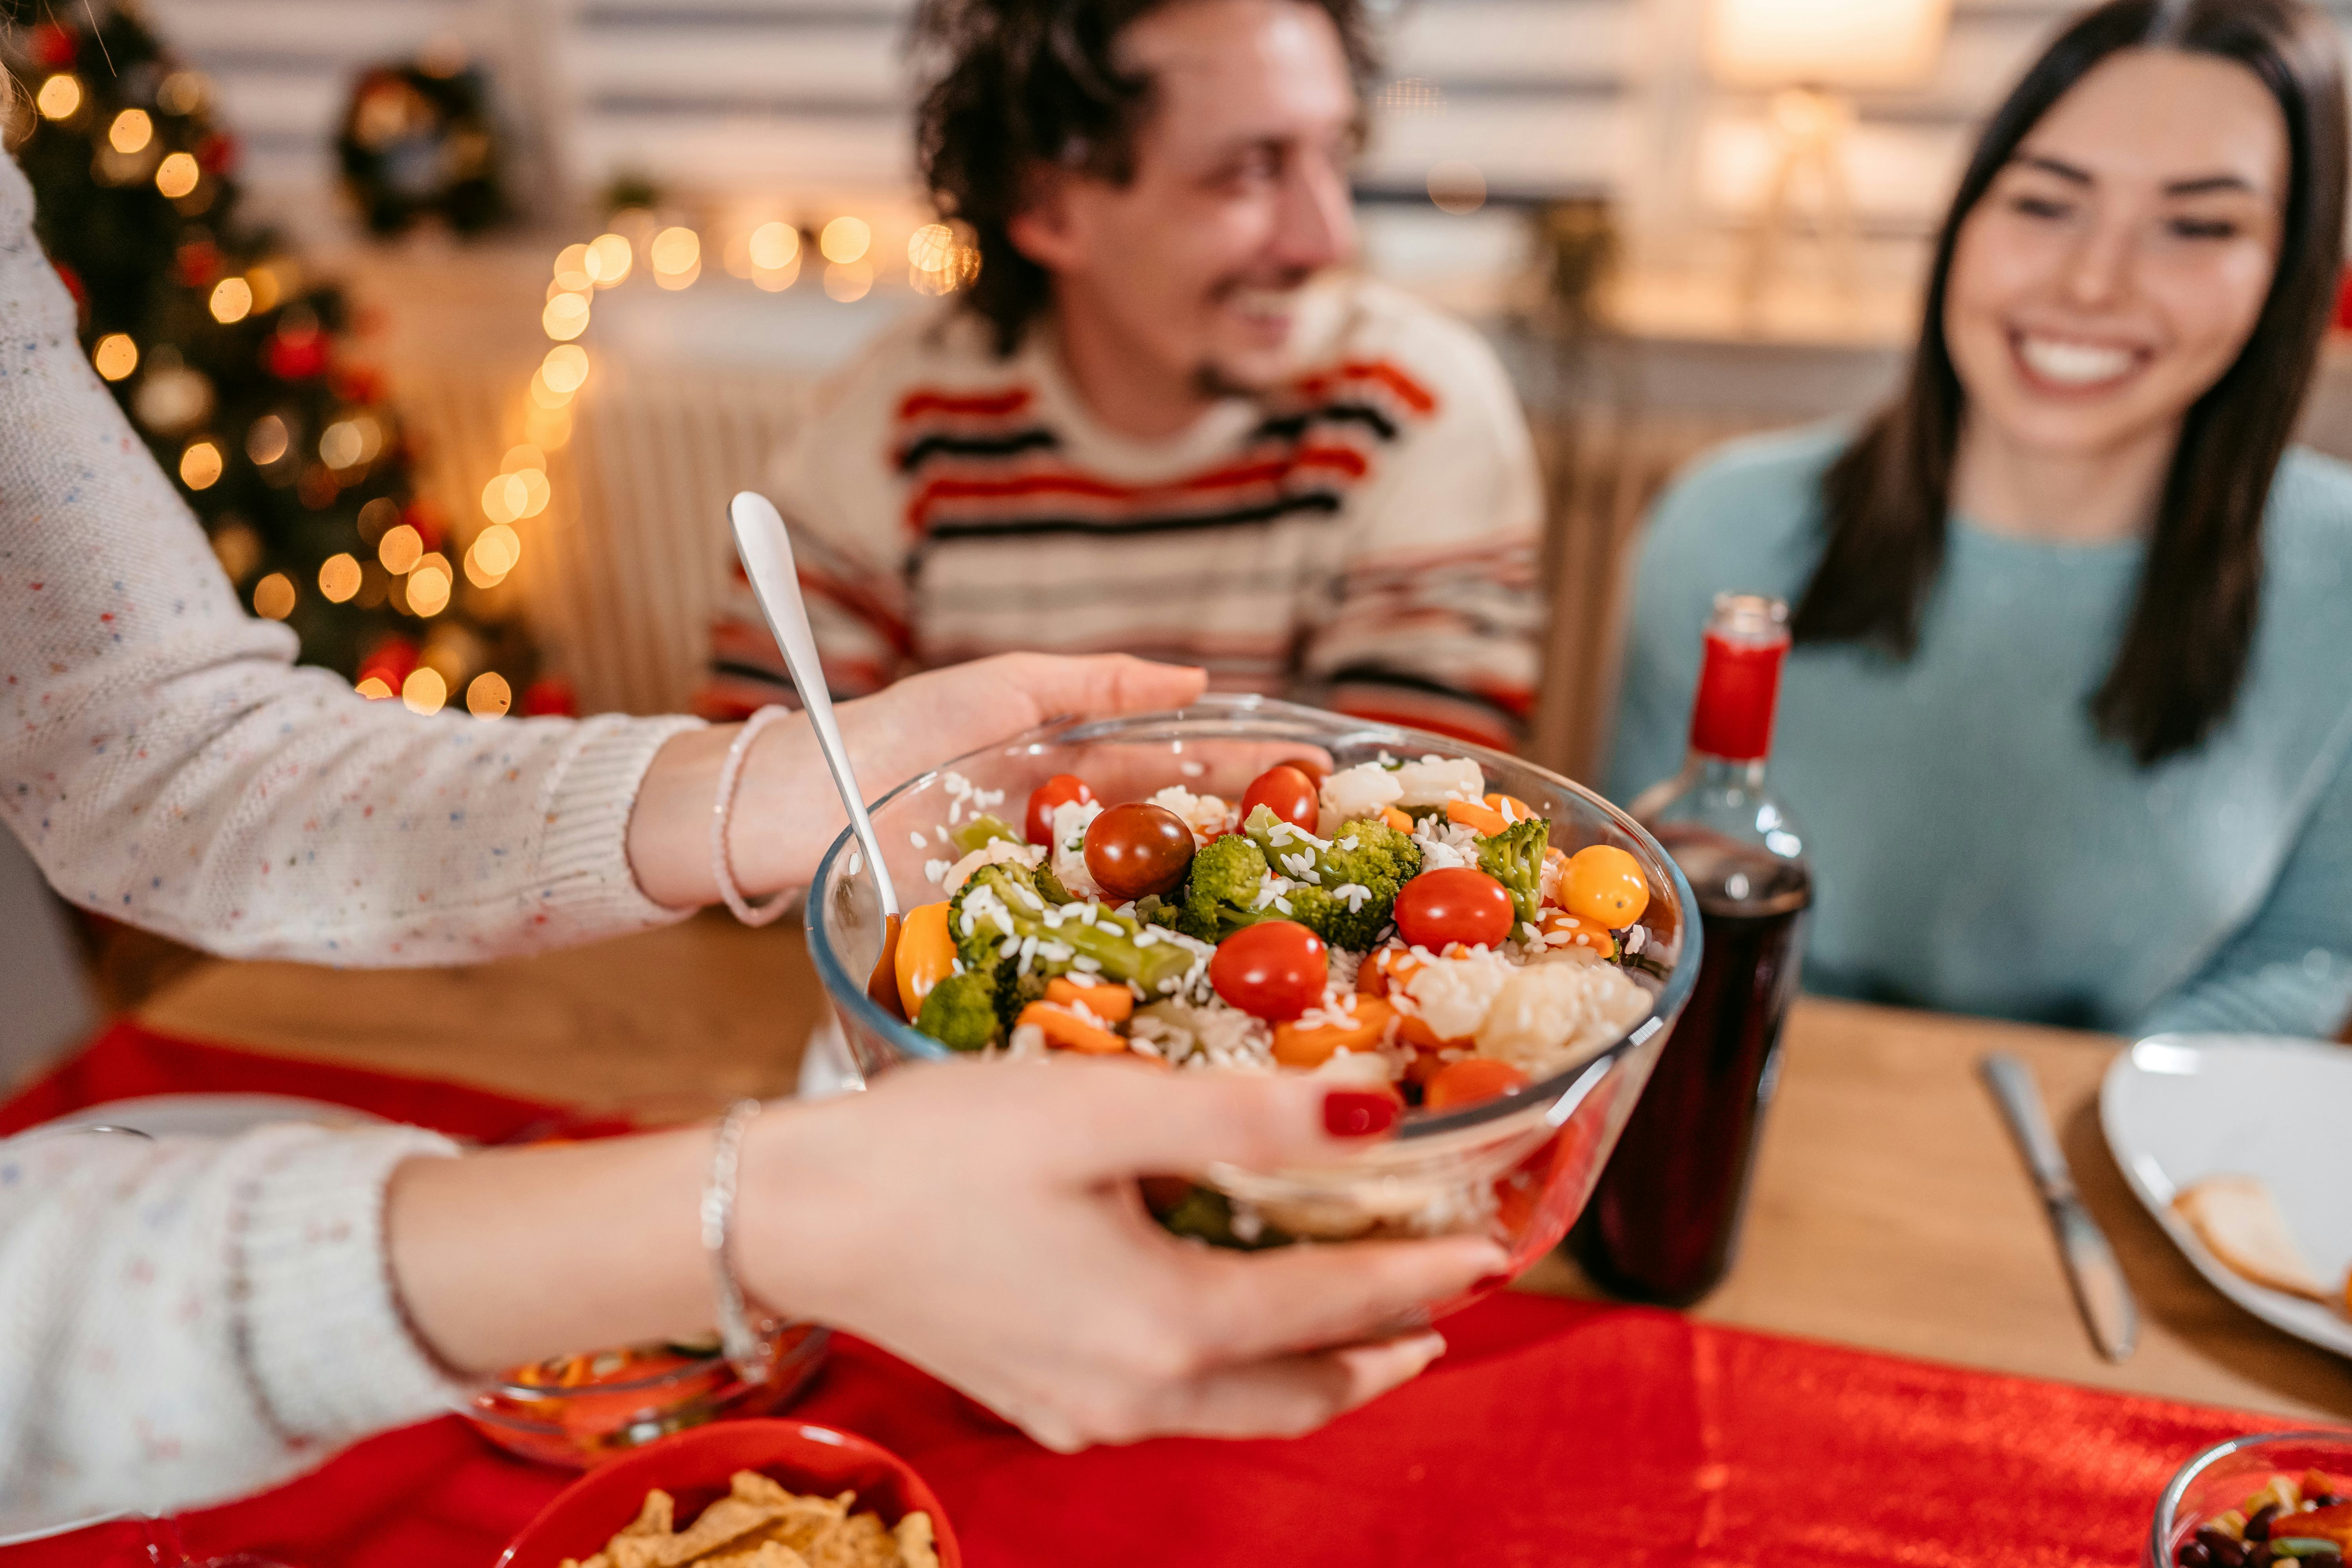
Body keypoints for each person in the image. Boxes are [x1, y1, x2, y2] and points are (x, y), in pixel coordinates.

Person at [0, 147, 1504, 1527]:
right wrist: (761, 1215)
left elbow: (157, 748)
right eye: (1240, 168)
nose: (1317, 220)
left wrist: (763, 791)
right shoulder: (896, 417)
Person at [1609, 0, 2352, 1038]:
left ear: (2294, 276)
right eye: (2047, 204)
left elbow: (2305, 962)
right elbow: (1632, 917)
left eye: (2197, 226)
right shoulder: (1723, 532)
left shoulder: (2339, 580)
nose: (2092, 282)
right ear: (1963, 219)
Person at [698, 0, 1545, 751]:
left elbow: (1417, 830)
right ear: (1049, 208)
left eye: (1335, 152)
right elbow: (765, 790)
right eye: (1249, 171)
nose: (1326, 238)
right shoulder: (890, 426)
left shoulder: (1415, 407)